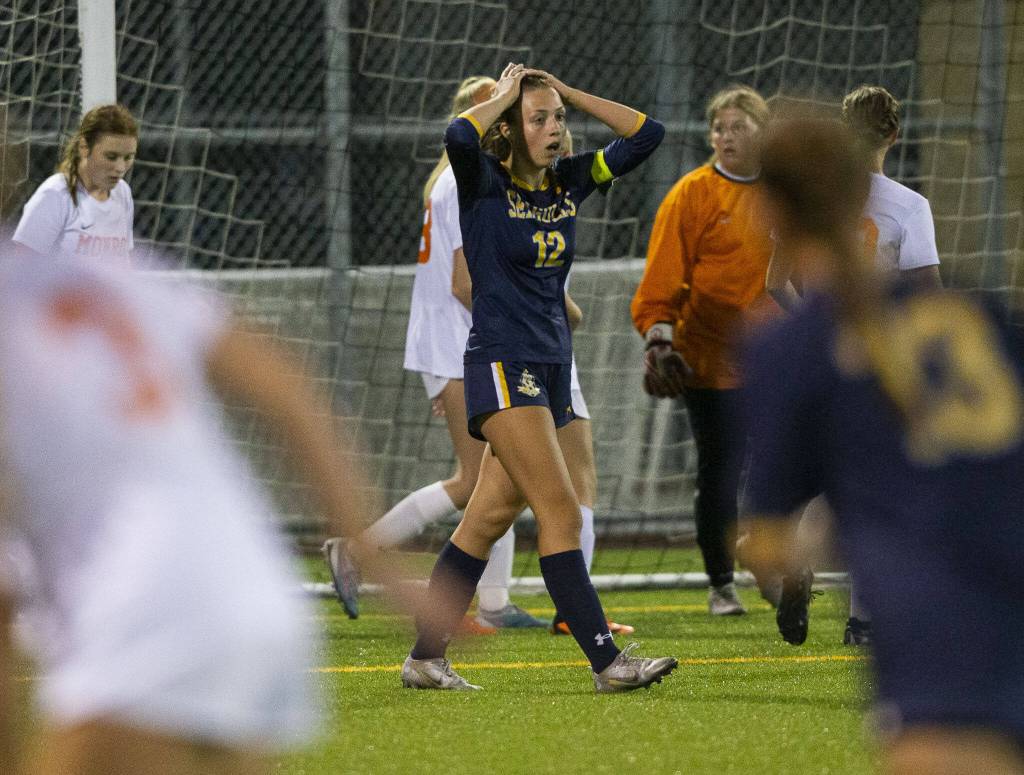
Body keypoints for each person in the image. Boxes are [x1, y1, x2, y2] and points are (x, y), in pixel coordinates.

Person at [0, 253, 411, 774]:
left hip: (145, 617)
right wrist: (372, 557)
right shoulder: (104, 278)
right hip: (251, 591)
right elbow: (287, 388)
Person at [740, 115, 1024, 775]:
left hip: (943, 603)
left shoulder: (793, 348)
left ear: (769, 211)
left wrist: (852, 530)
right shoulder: (980, 313)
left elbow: (767, 546)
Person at [398, 63, 674, 692]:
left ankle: (424, 658)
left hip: (550, 366)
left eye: (559, 118)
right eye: (540, 119)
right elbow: (458, 136)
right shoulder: (482, 182)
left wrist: (569, 92)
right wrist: (503, 98)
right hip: (501, 362)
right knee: (561, 512)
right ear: (513, 130)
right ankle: (608, 664)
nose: (555, 128)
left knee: (486, 518)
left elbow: (647, 135)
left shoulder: (568, 183)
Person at [324, 96, 634, 636]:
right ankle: (364, 553)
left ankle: (474, 614)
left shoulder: (530, 182)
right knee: (488, 487)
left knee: (499, 489)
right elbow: (469, 283)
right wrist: (547, 319)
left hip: (514, 345)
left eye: (550, 115)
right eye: (528, 115)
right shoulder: (468, 184)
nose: (545, 126)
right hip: (475, 345)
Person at [762, 85, 944, 646]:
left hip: (821, 357)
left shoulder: (816, 204)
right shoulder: (908, 206)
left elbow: (774, 284)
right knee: (885, 485)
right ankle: (863, 621)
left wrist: (813, 330)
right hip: (881, 358)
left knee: (830, 476)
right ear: (894, 135)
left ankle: (798, 562)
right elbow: (927, 295)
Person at [631, 84, 776, 616]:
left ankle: (767, 558)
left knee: (783, 467)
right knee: (718, 468)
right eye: (720, 128)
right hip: (708, 358)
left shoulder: (785, 193)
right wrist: (659, 340)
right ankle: (721, 584)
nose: (727, 136)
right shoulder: (691, 194)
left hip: (773, 360)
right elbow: (661, 281)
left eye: (740, 127)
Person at [12, 104, 138, 263]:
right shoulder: (55, 195)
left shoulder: (123, 192)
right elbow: (22, 270)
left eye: (128, 158)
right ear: (84, 147)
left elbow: (124, 264)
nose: (120, 168)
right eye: (111, 157)